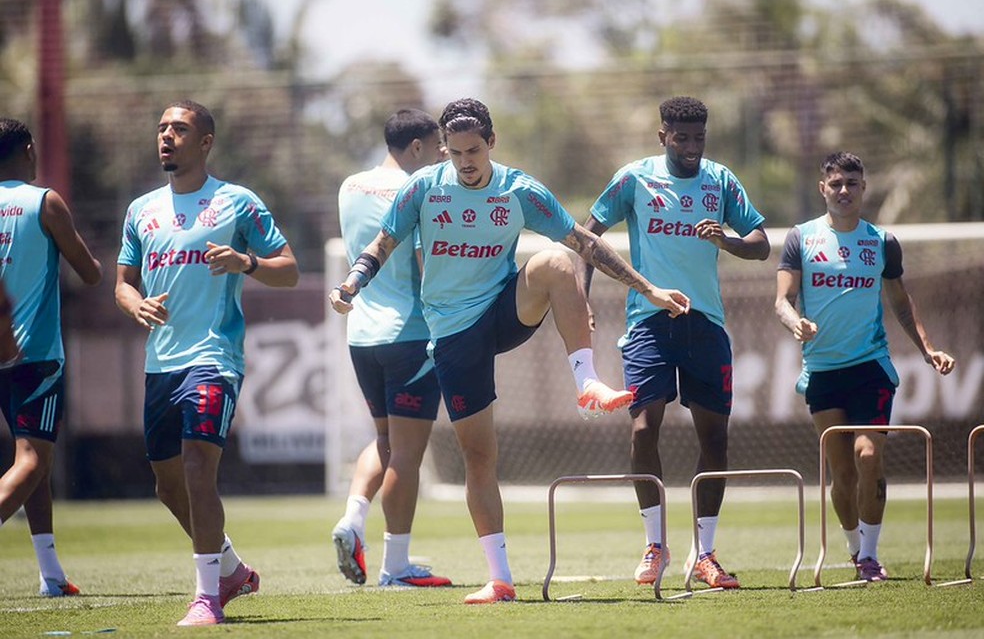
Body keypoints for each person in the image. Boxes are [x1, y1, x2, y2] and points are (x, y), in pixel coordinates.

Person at [330, 97, 690, 604]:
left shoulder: (520, 190)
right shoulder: (423, 189)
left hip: (502, 312)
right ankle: (499, 579)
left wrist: (647, 288)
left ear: (492, 143)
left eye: (473, 150)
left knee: (556, 262)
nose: (465, 162)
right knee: (481, 455)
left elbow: (584, 241)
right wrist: (351, 284)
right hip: (452, 334)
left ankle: (586, 380)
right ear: (442, 151)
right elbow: (383, 244)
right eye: (454, 153)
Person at [115, 101, 299, 626]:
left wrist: (247, 262)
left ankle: (207, 598)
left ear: (206, 141)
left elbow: (288, 270)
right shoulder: (140, 210)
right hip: (160, 363)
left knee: (198, 465)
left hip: (214, 356)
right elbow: (123, 284)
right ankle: (233, 569)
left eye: (180, 129)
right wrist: (136, 304)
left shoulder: (237, 202)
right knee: (167, 486)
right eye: (162, 129)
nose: (167, 136)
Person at [577, 96, 770, 590]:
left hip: (706, 326)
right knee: (643, 430)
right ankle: (655, 544)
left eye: (698, 138)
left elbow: (761, 245)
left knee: (715, 440)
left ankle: (705, 554)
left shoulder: (721, 181)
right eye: (680, 137)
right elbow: (586, 235)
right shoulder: (634, 179)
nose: (690, 147)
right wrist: (580, 299)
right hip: (649, 321)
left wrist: (727, 240)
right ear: (662, 136)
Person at [775, 151, 955, 581]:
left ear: (863, 188)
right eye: (836, 184)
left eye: (851, 184)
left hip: (869, 366)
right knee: (841, 473)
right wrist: (795, 322)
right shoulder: (801, 237)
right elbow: (782, 300)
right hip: (821, 371)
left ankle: (871, 556)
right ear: (823, 188)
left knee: (868, 454)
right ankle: (855, 550)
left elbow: (900, 301)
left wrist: (928, 349)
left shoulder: (882, 242)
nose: (843, 191)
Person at [331, 109, 452, 588]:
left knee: (383, 441)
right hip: (410, 336)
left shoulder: (349, 186)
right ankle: (395, 566)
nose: (445, 154)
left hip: (362, 336)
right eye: (439, 146)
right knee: (406, 455)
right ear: (417, 147)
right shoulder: (418, 191)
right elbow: (426, 266)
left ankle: (352, 519)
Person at [0, 117, 102, 596]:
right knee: (32, 461)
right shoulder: (44, 202)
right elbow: (89, 272)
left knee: (32, 456)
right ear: (29, 149)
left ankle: (51, 575)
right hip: (33, 356)